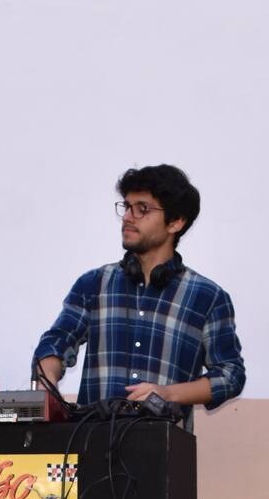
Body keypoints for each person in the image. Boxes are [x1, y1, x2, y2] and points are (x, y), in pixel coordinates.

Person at [33, 164, 246, 411]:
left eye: (142, 209)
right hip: (92, 442)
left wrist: (167, 393)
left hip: (163, 445)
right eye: (126, 207)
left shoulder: (208, 297)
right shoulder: (94, 284)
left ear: (175, 222)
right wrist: (47, 383)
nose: (127, 217)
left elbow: (231, 375)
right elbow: (56, 342)